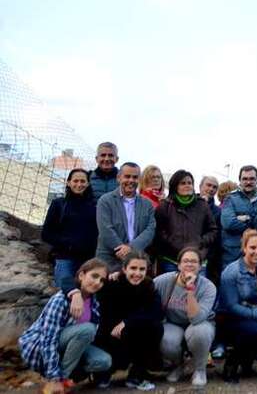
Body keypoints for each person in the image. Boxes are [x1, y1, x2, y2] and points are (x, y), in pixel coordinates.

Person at [19, 259, 112, 393]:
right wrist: (54, 376)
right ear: (81, 275)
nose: (98, 282)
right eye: (94, 276)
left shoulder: (94, 303)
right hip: (40, 347)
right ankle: (56, 381)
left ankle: (62, 380)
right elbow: (48, 339)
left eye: (102, 280)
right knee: (87, 330)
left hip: (68, 347)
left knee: (103, 361)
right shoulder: (60, 300)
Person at [95, 251, 163, 391]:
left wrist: (127, 322)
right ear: (124, 269)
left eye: (142, 269)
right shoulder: (111, 283)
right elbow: (104, 313)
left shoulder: (148, 286)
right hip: (111, 332)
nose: (137, 273)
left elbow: (156, 312)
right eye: (133, 268)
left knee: (155, 327)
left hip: (133, 330)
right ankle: (105, 372)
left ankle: (137, 374)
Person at [218, 230, 257, 383]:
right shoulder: (231, 272)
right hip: (228, 318)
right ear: (244, 248)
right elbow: (231, 306)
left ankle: (247, 361)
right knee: (256, 330)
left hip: (254, 315)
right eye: (253, 248)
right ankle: (231, 364)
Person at [154, 247, 217, 388]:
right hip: (173, 323)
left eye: (194, 261)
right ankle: (177, 365)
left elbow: (196, 318)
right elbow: (144, 288)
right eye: (186, 261)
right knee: (166, 338)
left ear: (200, 266)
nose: (189, 264)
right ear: (179, 265)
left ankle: (200, 369)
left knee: (200, 333)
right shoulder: (163, 281)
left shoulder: (208, 287)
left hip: (199, 323)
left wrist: (190, 290)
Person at [42, 168, 98, 292]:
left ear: (88, 183)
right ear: (68, 182)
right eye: (75, 181)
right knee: (65, 294)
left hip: (88, 260)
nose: (79, 184)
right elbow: (46, 233)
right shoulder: (59, 204)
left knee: (87, 295)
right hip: (64, 258)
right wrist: (68, 243)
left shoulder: (95, 206)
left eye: (83, 181)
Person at [154, 170, 218, 275]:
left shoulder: (202, 205)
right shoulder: (164, 206)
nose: (187, 186)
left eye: (190, 183)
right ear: (175, 186)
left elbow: (213, 230)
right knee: (173, 291)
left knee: (197, 291)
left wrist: (200, 242)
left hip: (197, 260)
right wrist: (173, 242)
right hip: (171, 260)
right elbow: (159, 231)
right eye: (183, 183)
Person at [96, 162, 156, 272]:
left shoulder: (147, 204)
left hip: (137, 261)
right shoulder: (105, 201)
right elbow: (105, 229)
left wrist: (131, 249)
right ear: (119, 178)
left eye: (135, 177)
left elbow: (150, 230)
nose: (131, 180)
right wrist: (122, 250)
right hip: (109, 259)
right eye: (127, 176)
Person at [220, 165, 257, 269]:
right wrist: (252, 222)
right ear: (240, 181)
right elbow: (228, 223)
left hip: (255, 256)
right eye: (245, 179)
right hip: (231, 255)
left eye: (252, 179)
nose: (248, 182)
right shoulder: (230, 199)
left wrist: (243, 218)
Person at [198, 176, 223, 286]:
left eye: (214, 187)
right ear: (200, 186)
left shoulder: (218, 211)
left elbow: (216, 235)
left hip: (207, 258)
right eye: (208, 185)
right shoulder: (188, 204)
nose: (211, 189)